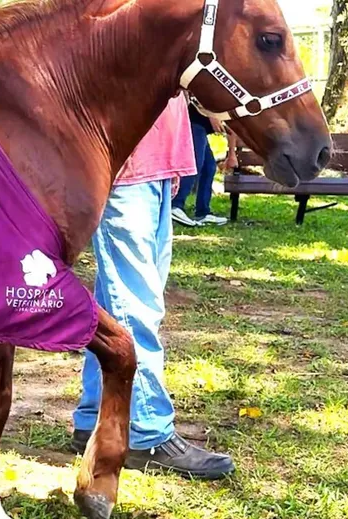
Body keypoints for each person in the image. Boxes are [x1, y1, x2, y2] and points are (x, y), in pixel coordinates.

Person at [70, 93, 236, 480]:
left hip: (155, 168)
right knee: (135, 307)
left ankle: (94, 418)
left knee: (116, 302)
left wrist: (172, 166)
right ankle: (146, 433)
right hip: (126, 169)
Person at [171, 102, 229, 227]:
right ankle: (176, 205)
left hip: (200, 126)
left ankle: (203, 212)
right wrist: (212, 116)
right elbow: (197, 94)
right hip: (193, 122)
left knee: (209, 168)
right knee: (194, 164)